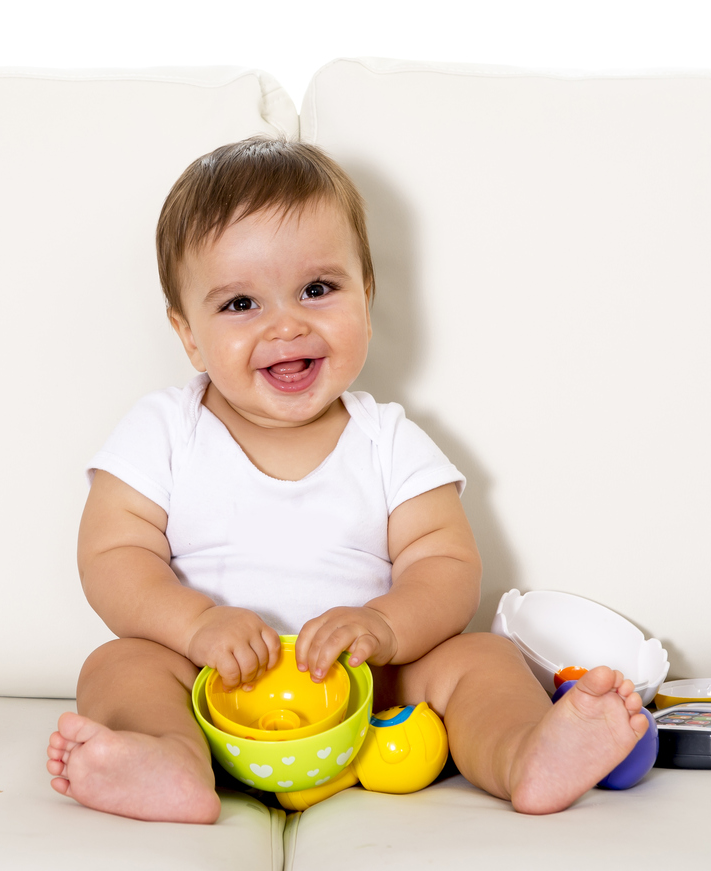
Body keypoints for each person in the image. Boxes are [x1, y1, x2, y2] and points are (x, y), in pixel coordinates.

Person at [46, 137, 648, 823]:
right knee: (116, 664)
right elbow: (112, 556)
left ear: (367, 294)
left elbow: (445, 562)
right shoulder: (163, 430)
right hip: (207, 686)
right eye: (241, 304)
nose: (286, 324)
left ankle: (525, 753)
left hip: (374, 693)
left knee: (481, 655)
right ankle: (169, 760)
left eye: (317, 289)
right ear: (187, 334)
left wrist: (384, 627)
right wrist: (196, 626)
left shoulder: (386, 439)